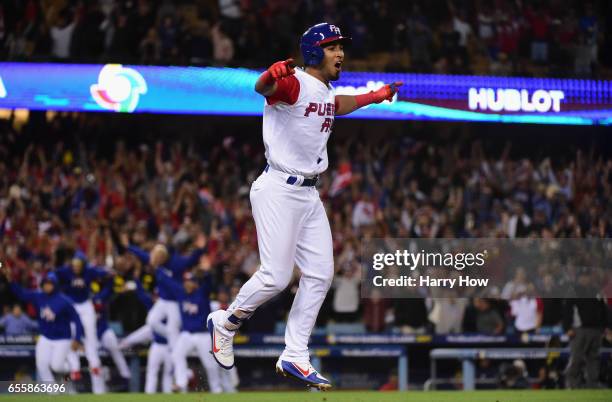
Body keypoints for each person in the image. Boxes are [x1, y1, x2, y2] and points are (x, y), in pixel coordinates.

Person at [206, 22, 402, 389]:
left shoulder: (324, 90)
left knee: (320, 275)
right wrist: (269, 75)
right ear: (314, 52)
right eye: (332, 47)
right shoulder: (294, 81)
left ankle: (295, 354)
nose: (340, 53)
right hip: (279, 187)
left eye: (340, 46)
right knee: (277, 277)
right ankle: (226, 322)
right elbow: (263, 88)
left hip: (308, 193)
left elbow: (335, 106)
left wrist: (374, 96)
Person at [126, 234, 206, 352]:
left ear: (163, 256)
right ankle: (175, 337)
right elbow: (141, 254)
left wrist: (200, 249)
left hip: (174, 302)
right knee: (152, 321)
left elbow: (191, 260)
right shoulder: (156, 261)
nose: (155, 260)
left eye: (158, 257)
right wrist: (129, 246)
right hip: (162, 301)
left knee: (172, 335)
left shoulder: (177, 263)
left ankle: (178, 364)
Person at [7, 271, 84, 384]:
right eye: (45, 283)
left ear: (55, 284)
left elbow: (77, 320)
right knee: (41, 364)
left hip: (62, 338)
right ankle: (52, 394)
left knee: (56, 367)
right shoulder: (38, 296)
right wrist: (11, 281)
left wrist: (77, 338)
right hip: (45, 337)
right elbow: (22, 294)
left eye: (50, 283)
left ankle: (72, 369)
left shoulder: (65, 301)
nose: (47, 286)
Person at [156, 262, 222, 393]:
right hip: (186, 334)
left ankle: (217, 389)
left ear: (195, 283)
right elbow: (166, 280)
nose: (187, 284)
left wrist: (205, 273)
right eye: (186, 281)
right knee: (176, 354)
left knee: (209, 364)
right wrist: (156, 266)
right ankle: (181, 383)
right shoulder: (181, 292)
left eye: (190, 281)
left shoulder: (202, 292)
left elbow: (209, 282)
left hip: (203, 334)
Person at [55, 252, 110, 393]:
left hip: (86, 305)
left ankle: (94, 363)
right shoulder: (65, 271)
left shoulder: (89, 271)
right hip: (72, 306)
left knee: (91, 337)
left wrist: (108, 272)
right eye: (74, 265)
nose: (76, 268)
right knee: (71, 337)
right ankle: (74, 368)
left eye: (79, 265)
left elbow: (105, 274)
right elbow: (53, 274)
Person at [563, 270, 610, 388]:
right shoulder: (573, 290)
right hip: (579, 330)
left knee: (593, 358)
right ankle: (572, 384)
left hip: (596, 330)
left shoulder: (596, 291)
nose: (585, 279)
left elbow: (604, 310)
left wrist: (606, 327)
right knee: (576, 358)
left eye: (587, 276)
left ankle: (592, 384)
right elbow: (567, 310)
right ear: (579, 278)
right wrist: (567, 327)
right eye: (583, 277)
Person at [92, 284, 131, 388]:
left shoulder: (99, 298)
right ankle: (101, 385)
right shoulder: (78, 303)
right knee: (94, 359)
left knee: (114, 346)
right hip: (90, 335)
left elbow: (110, 288)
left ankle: (125, 376)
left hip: (103, 330)